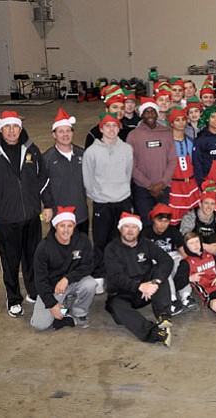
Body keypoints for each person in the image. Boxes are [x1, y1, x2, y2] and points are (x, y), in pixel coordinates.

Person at [0, 110, 54, 317]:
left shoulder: (31, 150)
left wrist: (47, 205)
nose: (12, 131)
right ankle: (13, 298)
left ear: (21, 128)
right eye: (7, 127)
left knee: (32, 257)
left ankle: (33, 291)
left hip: (31, 216)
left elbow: (43, 179)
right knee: (10, 261)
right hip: (5, 218)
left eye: (16, 126)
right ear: (0, 128)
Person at [104, 213, 174, 346]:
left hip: (146, 292)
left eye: (134, 227)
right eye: (126, 226)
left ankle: (163, 315)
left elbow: (166, 260)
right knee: (116, 307)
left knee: (159, 272)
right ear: (120, 228)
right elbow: (116, 277)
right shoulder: (112, 249)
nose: (130, 231)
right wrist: (139, 286)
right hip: (123, 293)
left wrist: (155, 282)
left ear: (139, 229)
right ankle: (154, 333)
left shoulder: (145, 243)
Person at [82, 113, 134, 291]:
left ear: (119, 129)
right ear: (101, 129)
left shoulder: (127, 149)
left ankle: (120, 273)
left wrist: (121, 191)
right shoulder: (92, 152)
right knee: (101, 240)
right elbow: (87, 179)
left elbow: (128, 173)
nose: (112, 130)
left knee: (123, 238)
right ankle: (99, 275)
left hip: (122, 200)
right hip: (102, 203)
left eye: (115, 126)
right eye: (108, 126)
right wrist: (98, 194)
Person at [31, 207, 96, 331]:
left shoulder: (82, 240)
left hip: (73, 282)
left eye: (70, 226)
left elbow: (88, 266)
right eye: (62, 226)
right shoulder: (44, 247)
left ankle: (79, 312)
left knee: (90, 284)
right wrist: (52, 304)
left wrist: (67, 279)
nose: (66, 230)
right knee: (40, 325)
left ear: (74, 226)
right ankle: (64, 308)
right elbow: (40, 280)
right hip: (52, 288)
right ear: (56, 226)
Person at [127, 98, 177, 224]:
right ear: (142, 114)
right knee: (146, 222)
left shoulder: (166, 133)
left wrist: (162, 183)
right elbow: (130, 164)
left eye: (153, 111)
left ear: (157, 113)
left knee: (162, 222)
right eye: (146, 112)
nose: (150, 115)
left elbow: (172, 160)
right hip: (142, 189)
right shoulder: (133, 135)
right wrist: (149, 185)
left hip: (163, 188)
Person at [142, 203, 197, 316]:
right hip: (155, 261)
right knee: (164, 267)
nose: (163, 225)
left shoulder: (172, 231)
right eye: (159, 221)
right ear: (153, 220)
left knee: (182, 263)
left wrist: (190, 265)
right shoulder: (145, 233)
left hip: (171, 256)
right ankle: (171, 299)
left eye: (166, 221)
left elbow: (182, 251)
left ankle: (186, 295)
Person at [43, 109, 89, 234]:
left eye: (68, 130)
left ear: (72, 133)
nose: (65, 134)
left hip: (81, 214)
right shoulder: (47, 159)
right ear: (54, 135)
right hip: (59, 217)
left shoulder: (82, 154)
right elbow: (43, 186)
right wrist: (47, 206)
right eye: (61, 131)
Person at [167, 107, 200, 225]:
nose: (181, 122)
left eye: (183, 119)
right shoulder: (167, 142)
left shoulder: (190, 141)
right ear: (171, 123)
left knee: (192, 217)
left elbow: (195, 163)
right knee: (175, 217)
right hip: (175, 185)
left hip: (191, 184)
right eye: (177, 120)